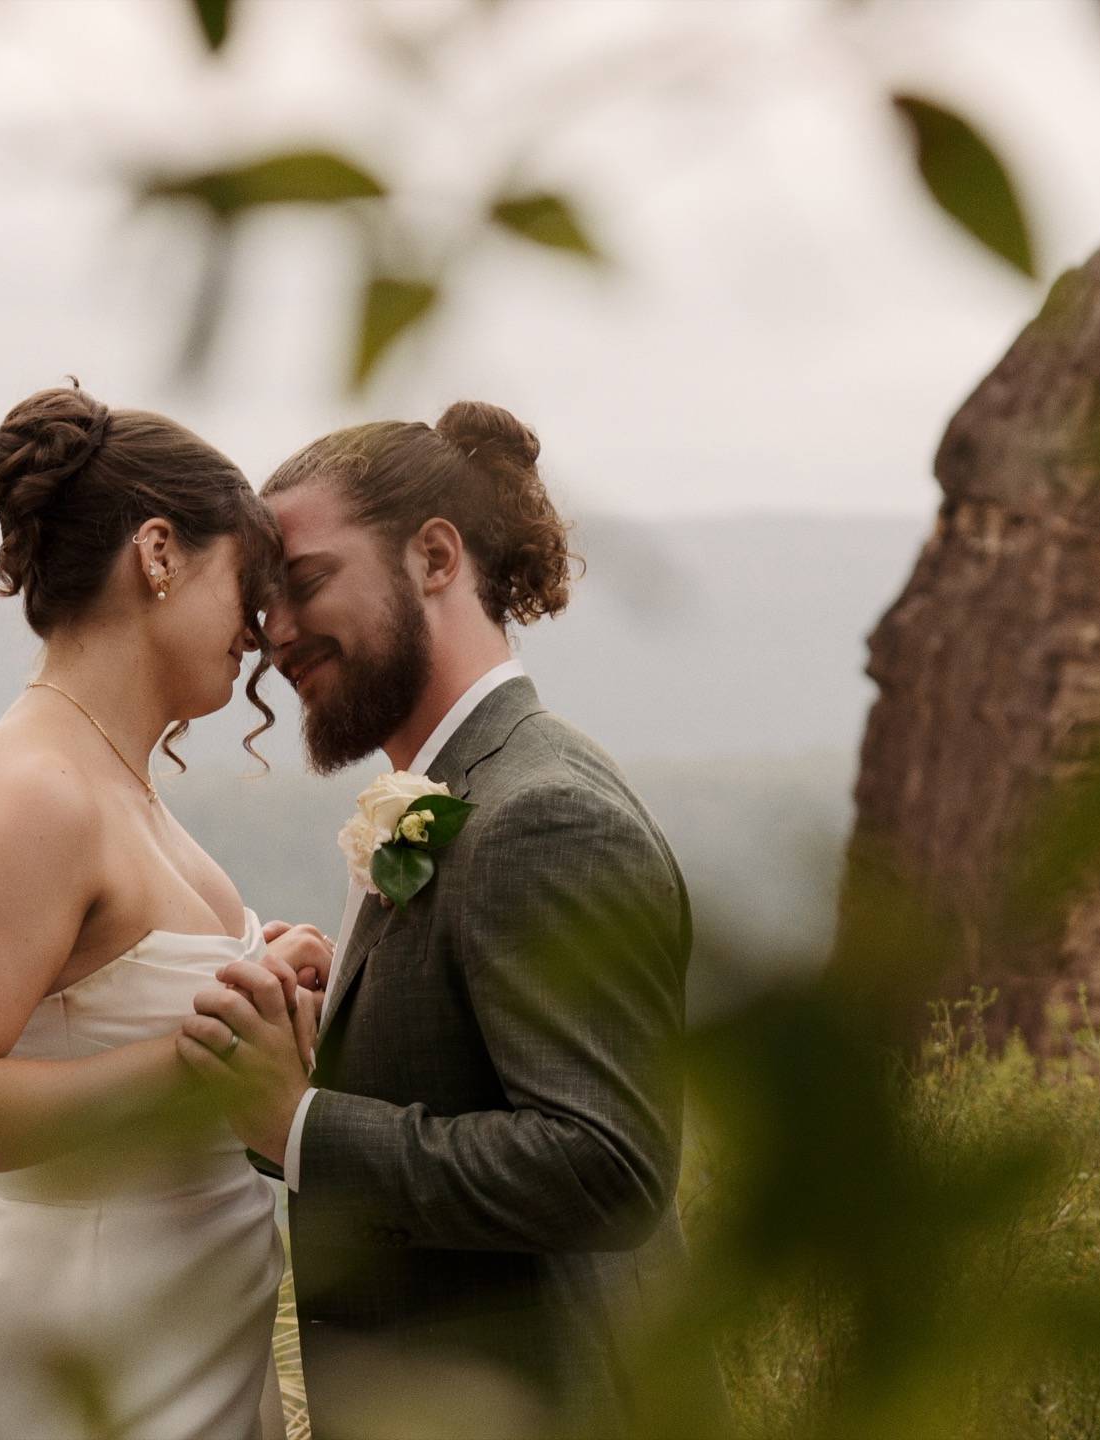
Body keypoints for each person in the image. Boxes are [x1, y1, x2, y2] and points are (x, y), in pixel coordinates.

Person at [177, 402, 694, 1437]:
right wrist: (323, 1031)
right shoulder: (465, 789)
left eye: (307, 580)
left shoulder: (543, 814)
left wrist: (298, 1125)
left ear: (435, 557)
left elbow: (606, 1168)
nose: (277, 634)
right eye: (264, 604)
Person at [0, 383, 328, 1440]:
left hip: (176, 1347)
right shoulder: (34, 790)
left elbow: (118, 997)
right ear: (158, 553)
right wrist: (199, 1066)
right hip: (64, 1363)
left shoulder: (117, 777)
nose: (259, 629)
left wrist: (266, 976)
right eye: (245, 583)